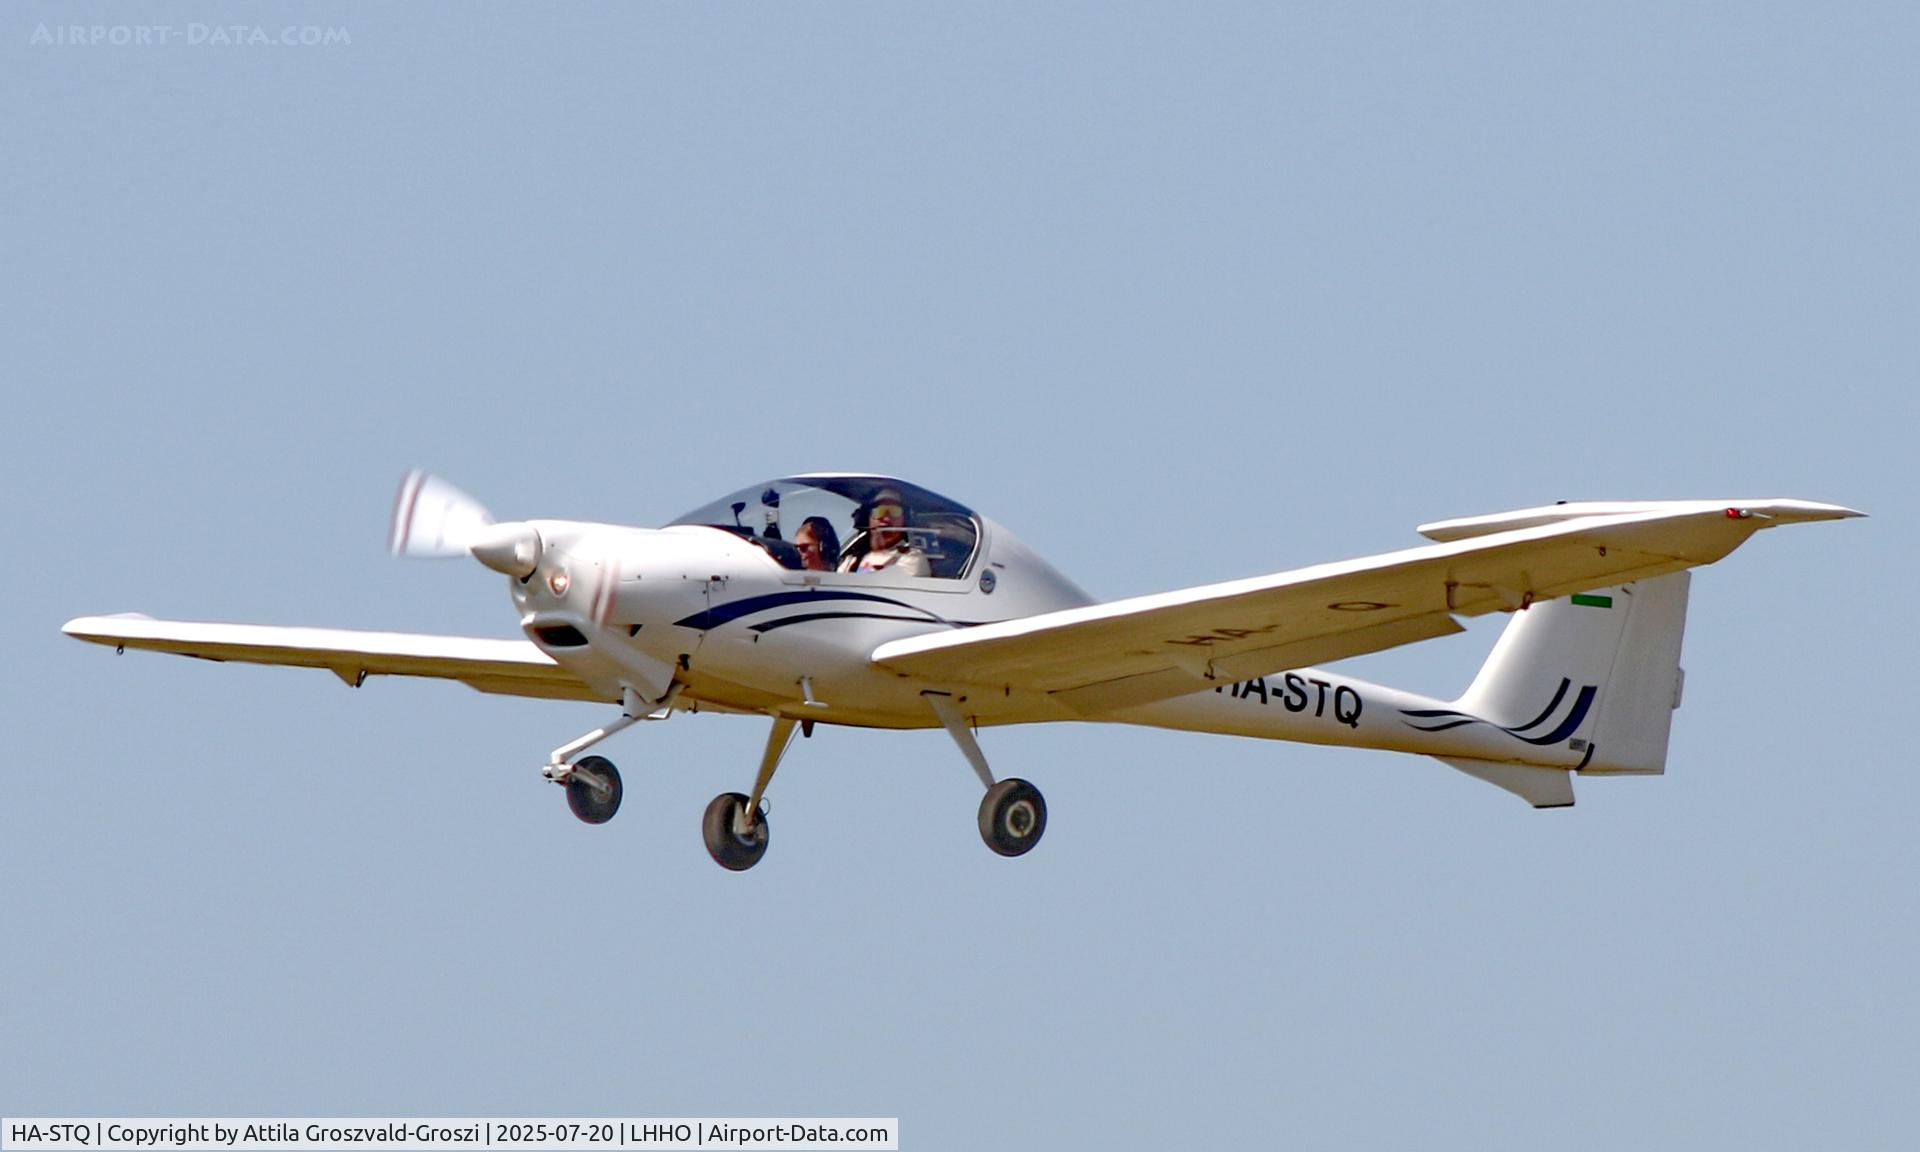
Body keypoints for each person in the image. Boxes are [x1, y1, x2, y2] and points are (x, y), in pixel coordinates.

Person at [840, 488, 930, 576]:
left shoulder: (911, 559)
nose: (886, 518)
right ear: (867, 518)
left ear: (905, 520)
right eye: (879, 511)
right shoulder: (851, 561)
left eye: (894, 511)